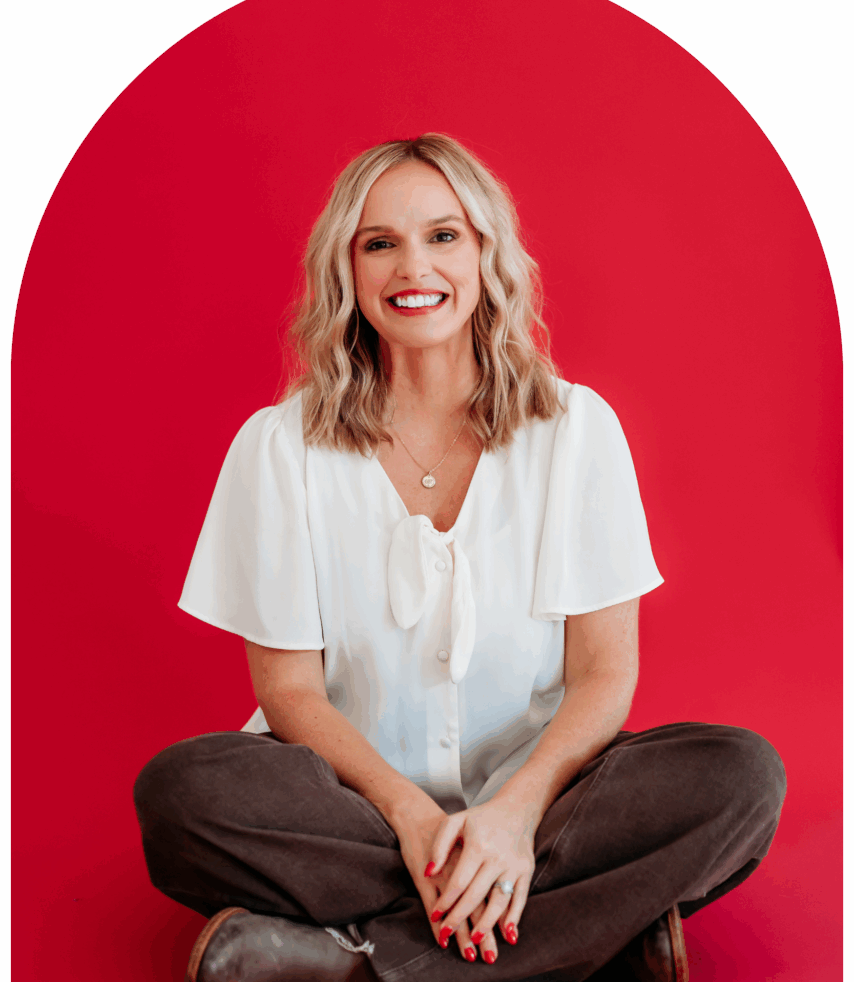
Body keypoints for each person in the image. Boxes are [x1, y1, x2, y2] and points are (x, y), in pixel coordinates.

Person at [133, 134, 786, 982]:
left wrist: (514, 817)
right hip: (348, 810)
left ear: (487, 254)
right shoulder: (277, 446)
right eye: (381, 243)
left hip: (544, 803)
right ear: (348, 268)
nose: (415, 267)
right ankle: (577, 938)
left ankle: (358, 962)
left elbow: (601, 675)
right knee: (182, 795)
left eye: (445, 236)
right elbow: (288, 689)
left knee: (739, 778)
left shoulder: (576, 430)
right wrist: (409, 815)